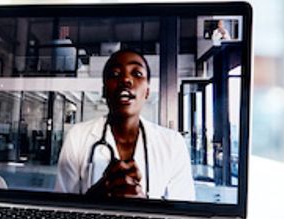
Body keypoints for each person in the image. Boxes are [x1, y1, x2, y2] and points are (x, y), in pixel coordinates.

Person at [54, 50, 196, 201]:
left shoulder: (172, 143)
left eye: (137, 73)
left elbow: (183, 210)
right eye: (115, 74)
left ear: (147, 91)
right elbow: (61, 206)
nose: (126, 79)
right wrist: (96, 198)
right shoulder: (77, 136)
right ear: (104, 91)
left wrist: (145, 208)